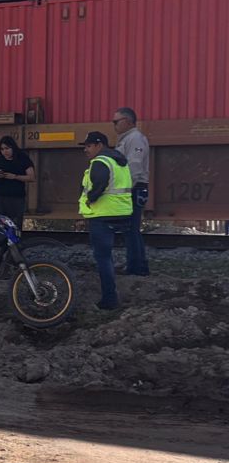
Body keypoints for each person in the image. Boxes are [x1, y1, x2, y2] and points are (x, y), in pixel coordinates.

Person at [79, 131, 132, 311]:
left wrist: (90, 198)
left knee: (102, 257)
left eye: (88, 146)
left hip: (103, 214)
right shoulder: (119, 161)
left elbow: (100, 183)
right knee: (107, 256)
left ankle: (109, 299)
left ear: (99, 145)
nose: (85, 150)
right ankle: (113, 293)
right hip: (120, 213)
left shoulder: (101, 162)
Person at [112, 107, 151, 276]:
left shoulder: (134, 139)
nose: (114, 125)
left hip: (134, 189)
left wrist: (125, 191)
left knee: (131, 229)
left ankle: (136, 268)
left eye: (116, 121)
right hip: (133, 189)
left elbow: (134, 167)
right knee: (130, 229)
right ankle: (137, 265)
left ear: (128, 121)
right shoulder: (126, 139)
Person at [0, 136, 35, 228]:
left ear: (13, 147)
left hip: (16, 197)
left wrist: (15, 177)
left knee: (14, 225)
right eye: (2, 149)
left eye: (7, 148)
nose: (5, 151)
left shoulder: (23, 159)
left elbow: (31, 177)